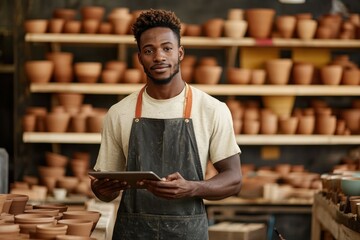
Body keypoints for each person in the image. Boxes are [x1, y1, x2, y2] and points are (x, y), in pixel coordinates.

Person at [90, 8, 242, 240]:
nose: (159, 56)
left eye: (167, 48)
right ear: (140, 57)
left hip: (188, 233)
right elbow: (105, 193)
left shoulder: (212, 109)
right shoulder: (119, 113)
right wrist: (101, 190)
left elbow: (234, 179)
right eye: (149, 50)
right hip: (133, 233)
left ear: (180, 53)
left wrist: (193, 187)